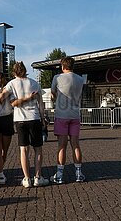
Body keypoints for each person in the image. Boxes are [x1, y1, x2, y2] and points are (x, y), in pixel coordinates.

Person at [0, 61, 49, 188]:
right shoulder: (34, 83)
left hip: (20, 120)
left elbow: (1, 99)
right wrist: (43, 118)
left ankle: (26, 179)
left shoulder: (11, 84)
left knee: (23, 150)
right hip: (34, 118)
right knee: (38, 149)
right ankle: (38, 177)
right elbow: (41, 103)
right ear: (25, 70)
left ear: (14, 72)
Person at [50, 56, 85, 184]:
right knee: (75, 145)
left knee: (62, 146)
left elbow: (53, 94)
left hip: (62, 115)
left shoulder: (57, 78)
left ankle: (59, 175)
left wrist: (56, 97)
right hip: (75, 115)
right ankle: (78, 173)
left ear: (63, 66)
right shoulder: (80, 79)